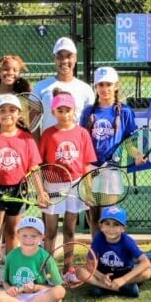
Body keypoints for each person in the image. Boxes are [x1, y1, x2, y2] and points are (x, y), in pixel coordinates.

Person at [0, 94, 43, 290]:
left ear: (19, 113)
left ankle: (10, 274)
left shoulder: (27, 139)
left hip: (18, 189)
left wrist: (40, 193)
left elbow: (34, 168)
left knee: (13, 233)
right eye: (2, 110)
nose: (7, 114)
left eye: (12, 110)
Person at [80, 65, 144, 232]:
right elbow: (82, 143)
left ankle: (109, 255)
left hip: (112, 169)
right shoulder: (88, 112)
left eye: (108, 84)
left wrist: (137, 155)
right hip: (90, 170)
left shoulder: (125, 112)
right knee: (94, 219)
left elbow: (129, 142)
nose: (104, 88)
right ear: (96, 87)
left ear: (116, 86)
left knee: (109, 218)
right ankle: (96, 255)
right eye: (100, 85)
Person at [37, 93, 96, 265]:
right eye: (60, 110)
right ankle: (48, 268)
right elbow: (40, 165)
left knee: (70, 229)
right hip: (53, 186)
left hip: (75, 185)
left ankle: (68, 269)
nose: (64, 114)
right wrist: (42, 191)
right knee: (51, 231)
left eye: (67, 110)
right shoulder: (48, 134)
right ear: (53, 112)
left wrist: (89, 191)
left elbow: (86, 165)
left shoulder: (82, 133)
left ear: (74, 110)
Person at [0, 215, 65, 302]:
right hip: (17, 297)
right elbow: (5, 281)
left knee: (60, 291)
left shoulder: (46, 257)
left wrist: (35, 288)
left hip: (38, 296)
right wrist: (9, 288)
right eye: (24, 235)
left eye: (33, 236)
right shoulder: (11, 256)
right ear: (18, 235)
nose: (28, 240)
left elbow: (57, 285)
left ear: (42, 237)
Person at [34, 37, 95, 133]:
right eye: (60, 57)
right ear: (54, 59)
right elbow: (34, 126)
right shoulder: (40, 87)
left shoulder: (86, 89)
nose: (64, 61)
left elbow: (90, 125)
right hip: (49, 146)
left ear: (75, 58)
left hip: (77, 147)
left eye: (69, 56)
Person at [88, 206, 151, 297]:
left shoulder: (127, 241)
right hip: (104, 276)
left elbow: (146, 262)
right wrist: (101, 277)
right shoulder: (98, 238)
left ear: (123, 228)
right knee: (80, 271)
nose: (111, 228)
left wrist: (123, 279)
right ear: (101, 226)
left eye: (116, 224)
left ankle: (114, 286)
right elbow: (89, 265)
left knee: (147, 272)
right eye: (107, 223)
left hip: (124, 274)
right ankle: (118, 288)